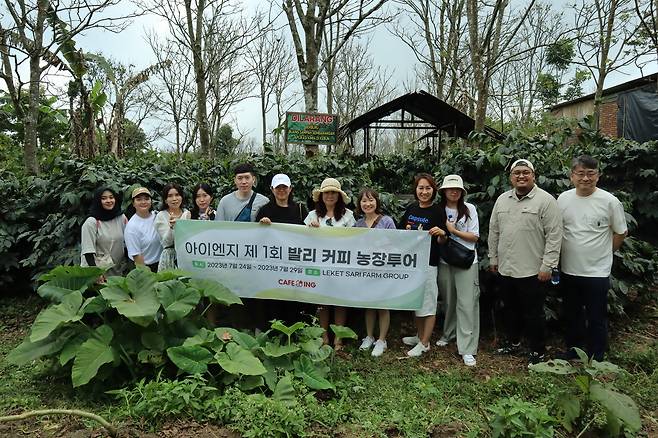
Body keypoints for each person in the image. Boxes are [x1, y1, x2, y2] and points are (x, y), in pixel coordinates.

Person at [488, 159, 563, 364]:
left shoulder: (546, 201)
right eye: (517, 173)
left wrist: (548, 265)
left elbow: (555, 236)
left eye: (526, 172)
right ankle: (513, 343)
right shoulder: (502, 200)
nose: (521, 176)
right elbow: (494, 231)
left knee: (533, 314)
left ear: (533, 175)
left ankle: (537, 351)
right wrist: (493, 257)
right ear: (511, 177)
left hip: (534, 270)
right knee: (510, 310)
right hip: (506, 268)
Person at [558, 155, 627, 361]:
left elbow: (620, 232)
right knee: (572, 314)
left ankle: (597, 355)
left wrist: (606, 253)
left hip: (597, 271)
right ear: (572, 176)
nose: (585, 178)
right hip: (569, 269)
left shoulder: (610, 201)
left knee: (596, 316)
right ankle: (574, 350)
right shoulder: (563, 199)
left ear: (598, 176)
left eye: (591, 174)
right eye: (581, 174)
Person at [305, 177, 356, 350]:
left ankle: (339, 338)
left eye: (334, 192)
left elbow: (354, 239)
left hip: (341, 265)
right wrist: (310, 230)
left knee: (339, 300)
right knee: (322, 302)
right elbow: (301, 239)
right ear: (321, 195)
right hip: (319, 265)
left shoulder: (348, 216)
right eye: (327, 192)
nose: (330, 196)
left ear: (339, 196)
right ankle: (324, 335)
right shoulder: (312, 215)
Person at [434, 175, 480, 367]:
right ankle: (448, 334)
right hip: (445, 261)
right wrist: (443, 236)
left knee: (466, 303)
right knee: (449, 300)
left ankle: (467, 348)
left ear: (461, 192)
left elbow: (474, 236)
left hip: (466, 261)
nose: (453, 191)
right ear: (444, 191)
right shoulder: (438, 210)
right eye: (450, 188)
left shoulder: (469, 209)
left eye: (457, 189)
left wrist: (452, 231)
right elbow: (438, 238)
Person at [399, 173, 447, 357]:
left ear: (433, 190)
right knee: (416, 301)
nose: (424, 191)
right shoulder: (411, 209)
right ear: (415, 190)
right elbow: (402, 234)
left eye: (428, 188)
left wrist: (441, 233)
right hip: (412, 264)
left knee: (428, 303)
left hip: (428, 264)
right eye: (421, 188)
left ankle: (425, 343)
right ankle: (420, 336)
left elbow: (443, 240)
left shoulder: (437, 211)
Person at [256, 173, 309, 324]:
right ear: (272, 189)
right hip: (272, 266)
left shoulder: (300, 209)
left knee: (293, 301)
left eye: (284, 187)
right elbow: (257, 238)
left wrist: (313, 226)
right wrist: (261, 225)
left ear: (290, 189)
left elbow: (310, 236)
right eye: (278, 187)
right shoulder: (264, 211)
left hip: (295, 266)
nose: (281, 190)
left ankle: (294, 334)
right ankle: (274, 335)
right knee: (273, 301)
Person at [354, 188, 396, 357]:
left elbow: (396, 244)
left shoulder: (387, 221)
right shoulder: (358, 224)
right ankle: (369, 336)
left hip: (383, 269)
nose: (367, 203)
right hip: (365, 270)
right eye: (364, 201)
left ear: (377, 202)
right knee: (369, 304)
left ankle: (382, 340)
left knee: (383, 305)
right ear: (359, 204)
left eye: (371, 200)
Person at [80, 186, 127, 281]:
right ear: (98, 201)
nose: (109, 201)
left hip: (116, 271)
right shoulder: (91, 222)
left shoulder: (121, 218)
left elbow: (128, 242)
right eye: (104, 198)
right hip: (95, 271)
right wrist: (96, 274)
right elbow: (88, 251)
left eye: (111, 197)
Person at [124, 187, 163, 272]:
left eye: (146, 199)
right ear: (133, 203)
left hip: (161, 264)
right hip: (144, 267)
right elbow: (137, 256)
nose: (143, 202)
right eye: (139, 199)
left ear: (151, 201)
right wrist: (146, 276)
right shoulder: (132, 227)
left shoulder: (157, 216)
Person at [154, 183, 191, 272]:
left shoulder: (187, 213)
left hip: (186, 255)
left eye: (177, 195)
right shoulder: (161, 216)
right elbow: (167, 242)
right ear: (166, 200)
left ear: (181, 197)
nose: (174, 199)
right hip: (169, 257)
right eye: (170, 196)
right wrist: (172, 227)